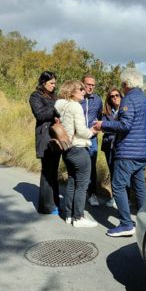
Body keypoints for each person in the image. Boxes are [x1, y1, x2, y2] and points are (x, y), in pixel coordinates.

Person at [93, 68, 146, 237]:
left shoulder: (129, 100)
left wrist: (102, 125)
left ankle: (126, 224)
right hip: (143, 152)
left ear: (126, 84)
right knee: (140, 187)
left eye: (122, 84)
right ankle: (144, 222)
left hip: (128, 152)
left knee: (118, 186)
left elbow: (125, 126)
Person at [55, 80, 98, 227]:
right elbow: (81, 130)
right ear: (72, 91)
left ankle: (68, 215)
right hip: (79, 149)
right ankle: (78, 217)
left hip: (67, 149)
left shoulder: (63, 106)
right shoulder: (76, 106)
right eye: (81, 89)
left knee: (72, 182)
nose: (84, 91)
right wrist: (92, 132)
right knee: (82, 185)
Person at [29, 71, 61, 214]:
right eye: (51, 83)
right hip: (45, 137)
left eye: (55, 83)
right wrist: (57, 109)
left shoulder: (55, 96)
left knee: (54, 171)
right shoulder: (35, 96)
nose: (54, 86)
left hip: (57, 136)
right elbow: (40, 114)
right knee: (47, 171)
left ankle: (54, 201)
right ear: (43, 82)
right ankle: (46, 206)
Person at [80, 75, 102, 207]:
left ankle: (92, 194)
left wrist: (96, 130)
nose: (90, 87)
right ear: (82, 84)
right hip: (78, 137)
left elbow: (99, 117)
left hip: (92, 138)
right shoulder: (77, 98)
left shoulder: (98, 100)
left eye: (93, 85)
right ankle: (79, 193)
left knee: (91, 166)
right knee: (79, 164)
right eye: (88, 84)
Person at [100, 87, 122, 208]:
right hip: (109, 146)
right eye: (112, 96)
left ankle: (124, 199)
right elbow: (103, 128)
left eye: (117, 95)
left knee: (121, 173)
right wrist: (116, 127)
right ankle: (114, 197)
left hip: (121, 146)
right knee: (112, 171)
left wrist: (111, 127)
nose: (114, 98)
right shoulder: (106, 112)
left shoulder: (126, 110)